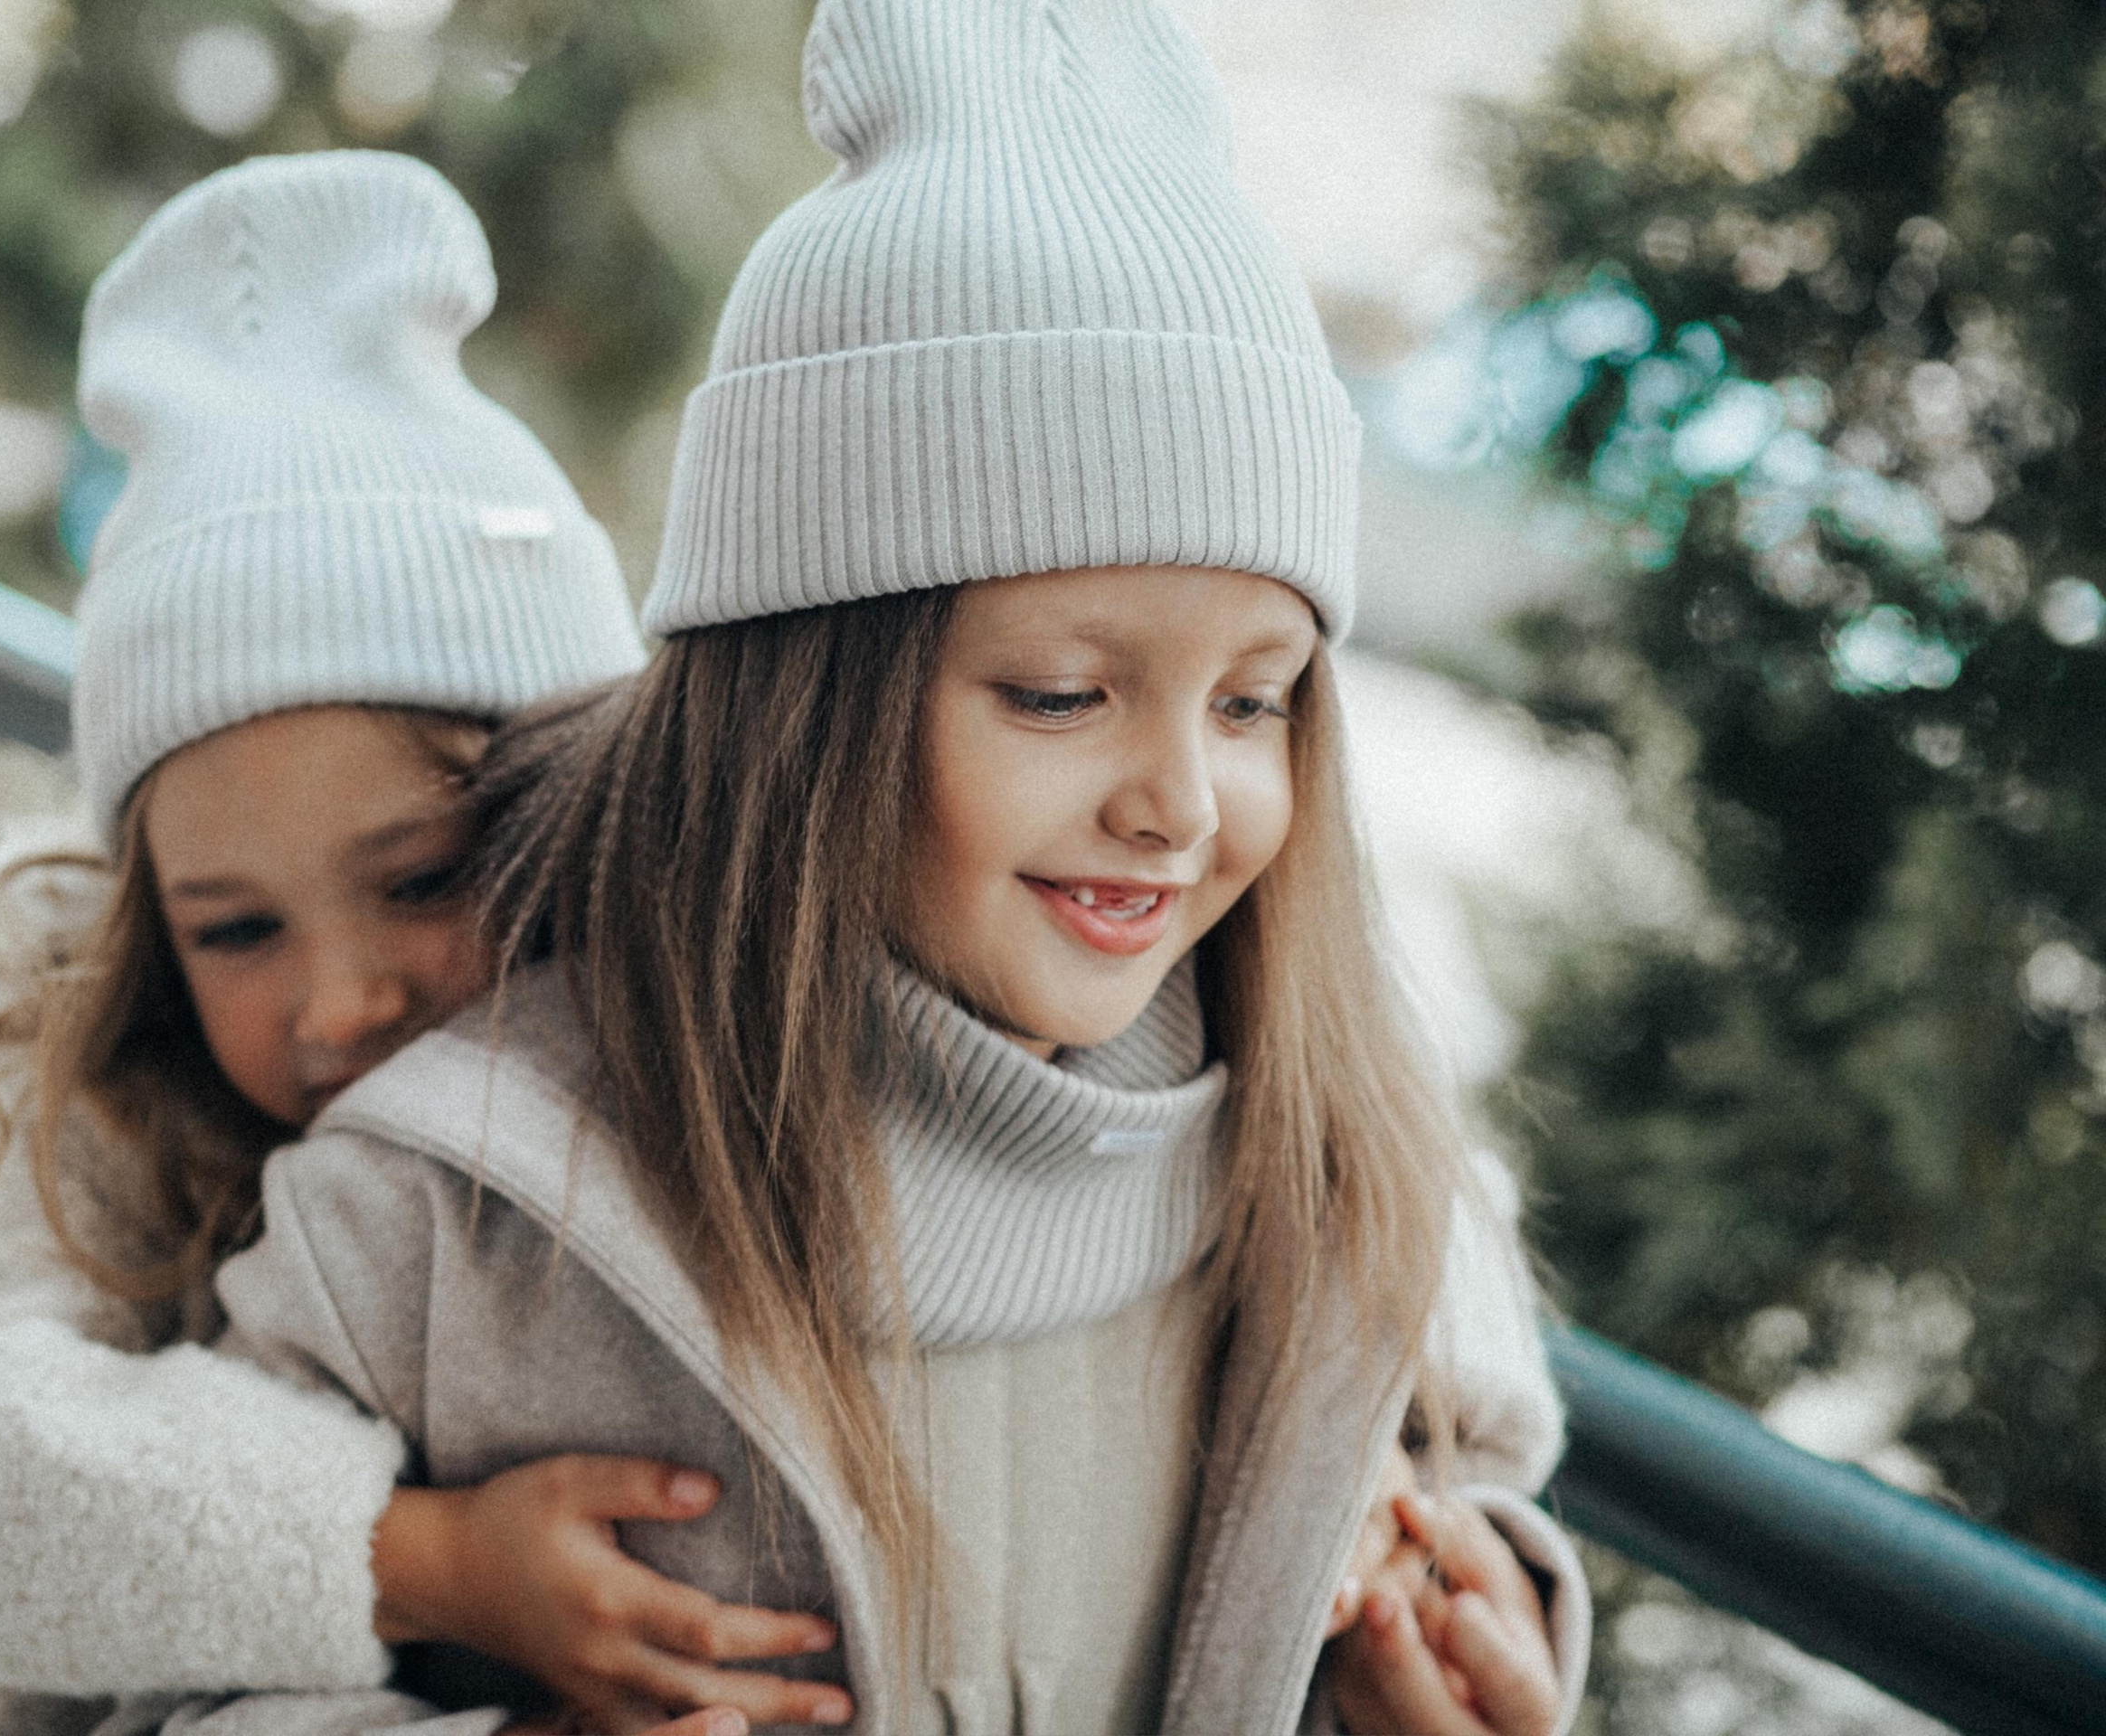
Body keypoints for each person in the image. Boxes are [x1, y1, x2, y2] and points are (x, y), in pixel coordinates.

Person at [130, 3, 1595, 1731]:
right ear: (803, 705)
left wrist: (1466, 1626)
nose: (1182, 802)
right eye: (1062, 693)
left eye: (1256, 701)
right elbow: (157, 1691)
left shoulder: (1331, 1156)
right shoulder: (444, 1208)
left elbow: (1450, 1488)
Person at [0, 151, 855, 1736]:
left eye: (424, 879)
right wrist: (417, 1556)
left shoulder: (716, 1062)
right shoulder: (129, 1107)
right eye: (234, 929)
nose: (342, 1000)